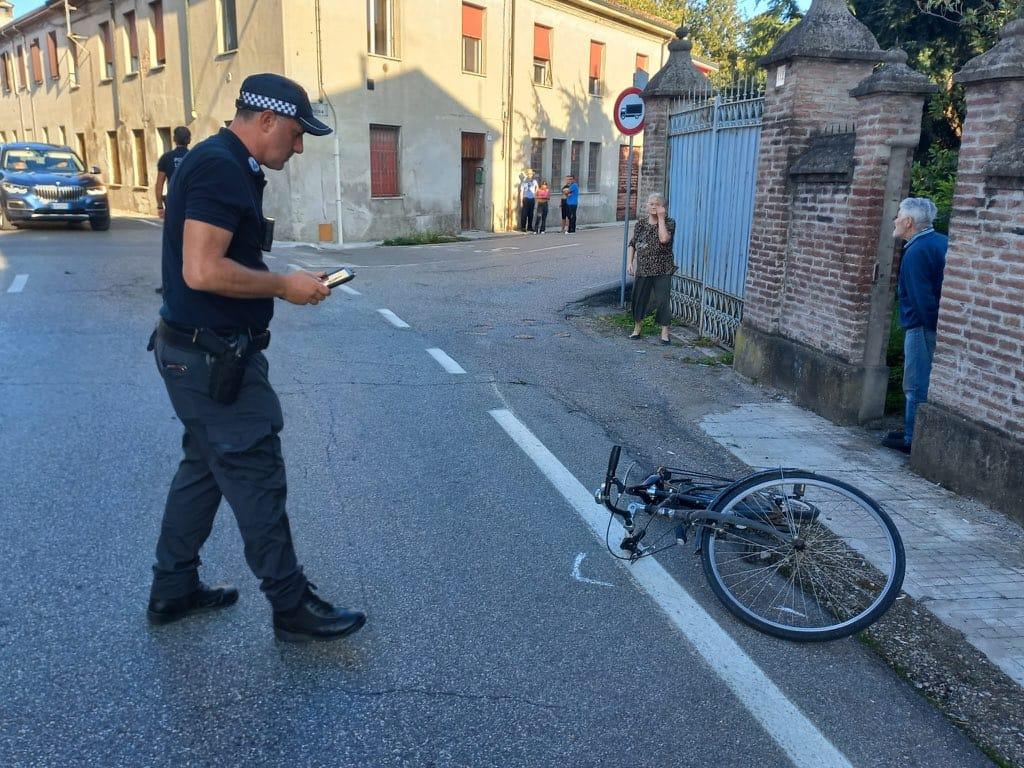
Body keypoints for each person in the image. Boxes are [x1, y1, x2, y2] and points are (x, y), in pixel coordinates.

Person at [147, 73, 366, 642]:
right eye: (295, 134)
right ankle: (291, 607)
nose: (298, 147)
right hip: (211, 359)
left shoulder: (224, 162)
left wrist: (287, 281)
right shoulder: (221, 167)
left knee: (203, 470)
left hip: (193, 353)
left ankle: (173, 589)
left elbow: (214, 260)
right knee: (255, 472)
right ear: (265, 120)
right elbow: (203, 269)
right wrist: (281, 286)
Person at [882, 197, 947, 454]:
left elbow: (923, 298)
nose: (895, 220)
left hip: (921, 327)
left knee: (915, 384)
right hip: (929, 324)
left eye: (898, 215)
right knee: (920, 381)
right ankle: (912, 433)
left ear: (908, 222)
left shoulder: (916, 251)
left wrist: (928, 326)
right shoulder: (941, 241)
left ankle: (912, 438)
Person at [627, 193, 677, 345]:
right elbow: (633, 243)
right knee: (639, 298)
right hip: (643, 267)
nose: (653, 206)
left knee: (663, 300)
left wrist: (661, 219)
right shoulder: (640, 224)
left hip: (663, 267)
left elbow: (664, 239)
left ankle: (664, 333)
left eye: (656, 204)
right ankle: (637, 329)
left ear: (663, 207)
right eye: (651, 203)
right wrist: (630, 262)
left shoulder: (669, 222)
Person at [155, 126, 191, 220]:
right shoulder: (194, 156)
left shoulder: (166, 158)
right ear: (189, 140)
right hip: (191, 202)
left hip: (173, 201)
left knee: (174, 232)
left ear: (174, 139)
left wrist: (160, 206)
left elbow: (159, 184)